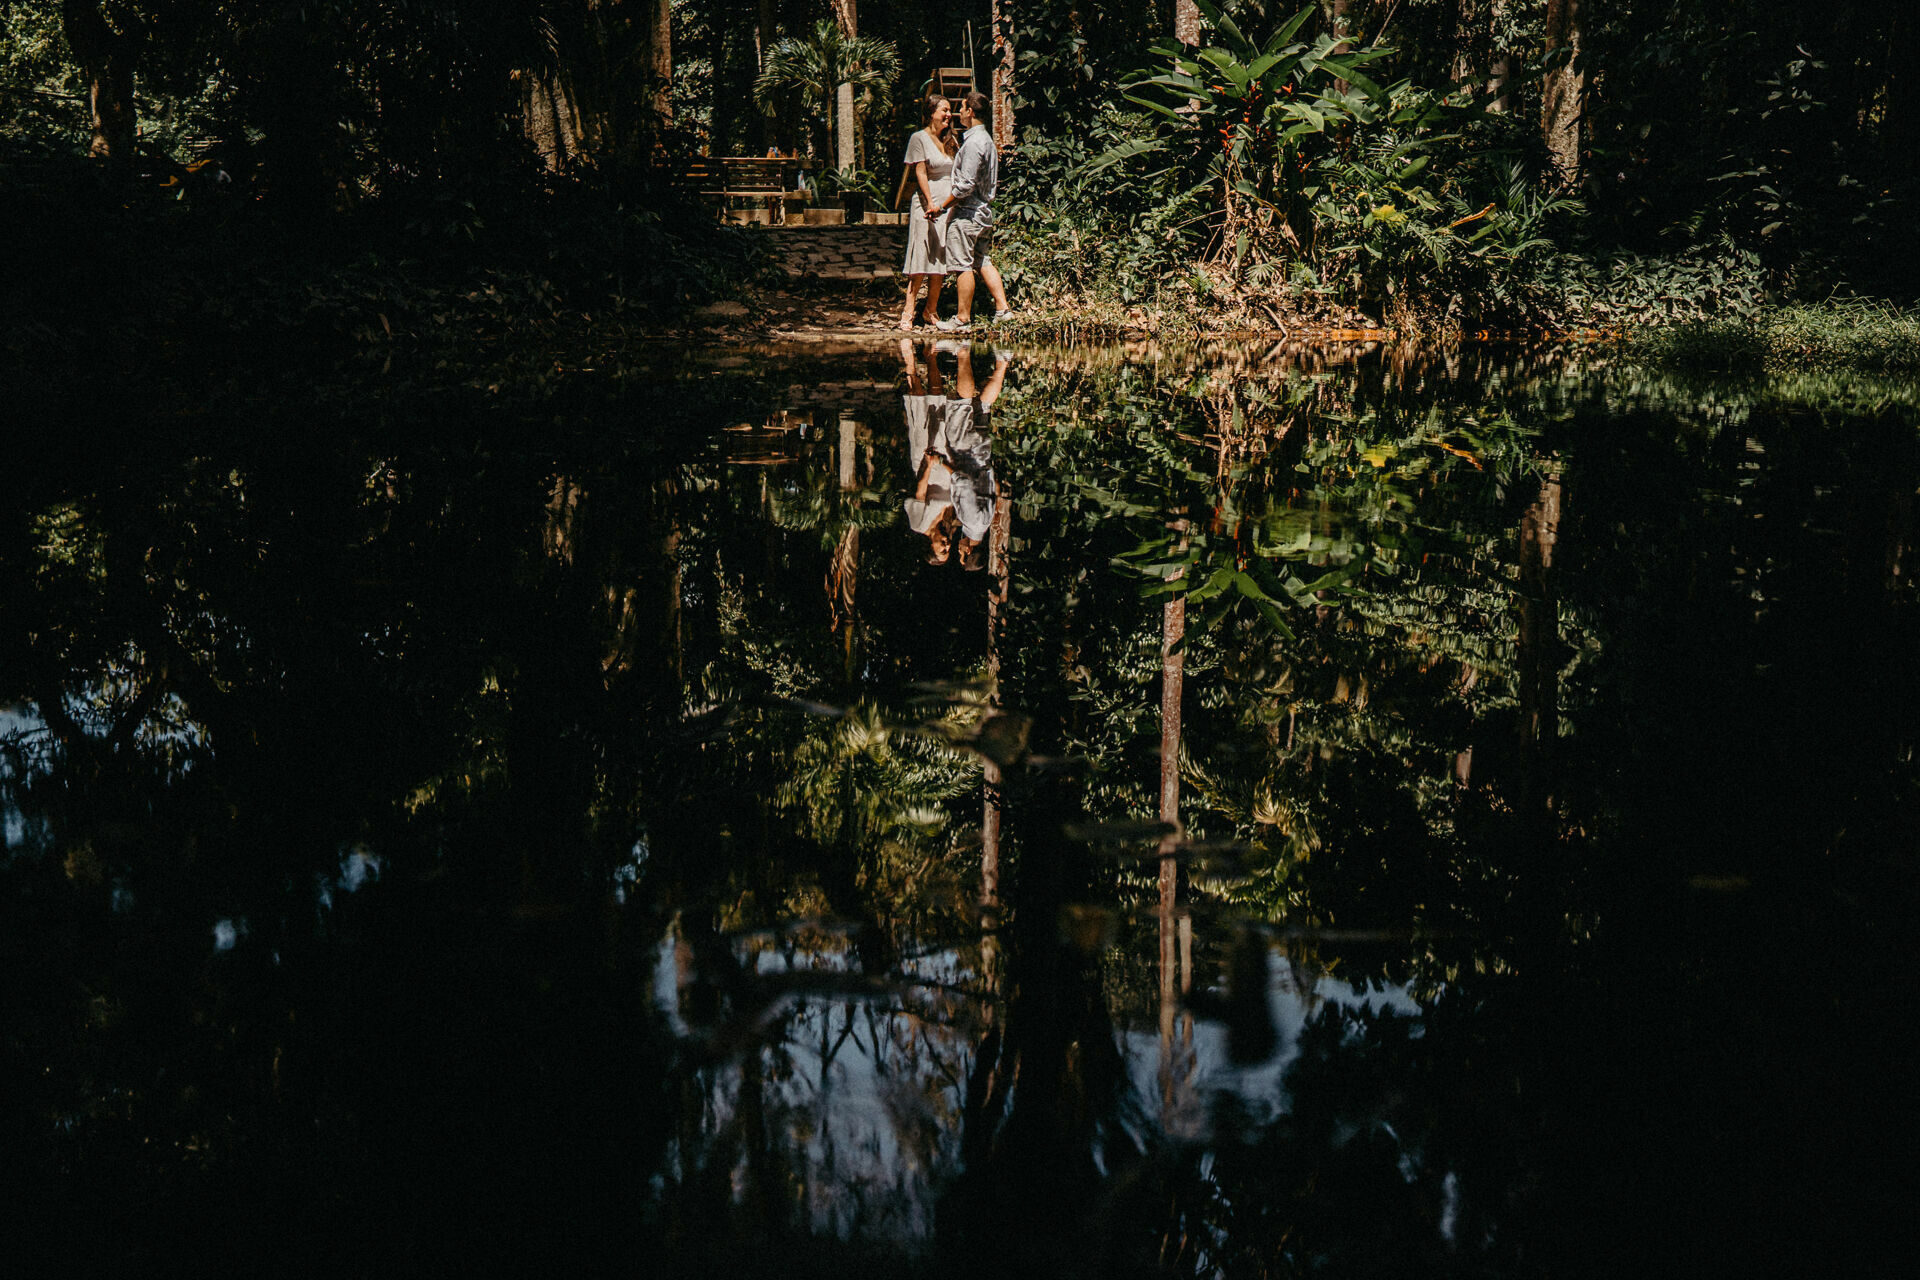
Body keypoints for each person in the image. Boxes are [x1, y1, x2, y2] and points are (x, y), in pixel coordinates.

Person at [925, 90, 1012, 331]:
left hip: (968, 214)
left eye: (962, 108)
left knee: (962, 265)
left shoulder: (975, 143)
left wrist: (941, 207)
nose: (958, 112)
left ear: (971, 112)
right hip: (983, 213)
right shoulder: (985, 141)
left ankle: (962, 318)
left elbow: (965, 185)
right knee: (982, 260)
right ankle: (1002, 309)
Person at [898, 95, 958, 330]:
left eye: (950, 110)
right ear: (931, 112)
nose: (948, 114)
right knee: (921, 257)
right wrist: (931, 203)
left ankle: (930, 310)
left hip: (947, 204)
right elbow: (920, 173)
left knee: (940, 257)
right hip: (926, 201)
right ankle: (908, 310)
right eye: (944, 110)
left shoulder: (952, 139)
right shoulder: (918, 138)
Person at [898, 338, 958, 564]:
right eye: (948, 549)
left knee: (920, 413)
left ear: (930, 547)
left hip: (926, 465)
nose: (946, 544)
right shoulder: (949, 522)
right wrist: (945, 463)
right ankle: (931, 357)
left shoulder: (919, 525)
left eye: (942, 549)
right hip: (945, 462)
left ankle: (910, 364)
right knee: (938, 408)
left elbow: (920, 493)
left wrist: (930, 463)